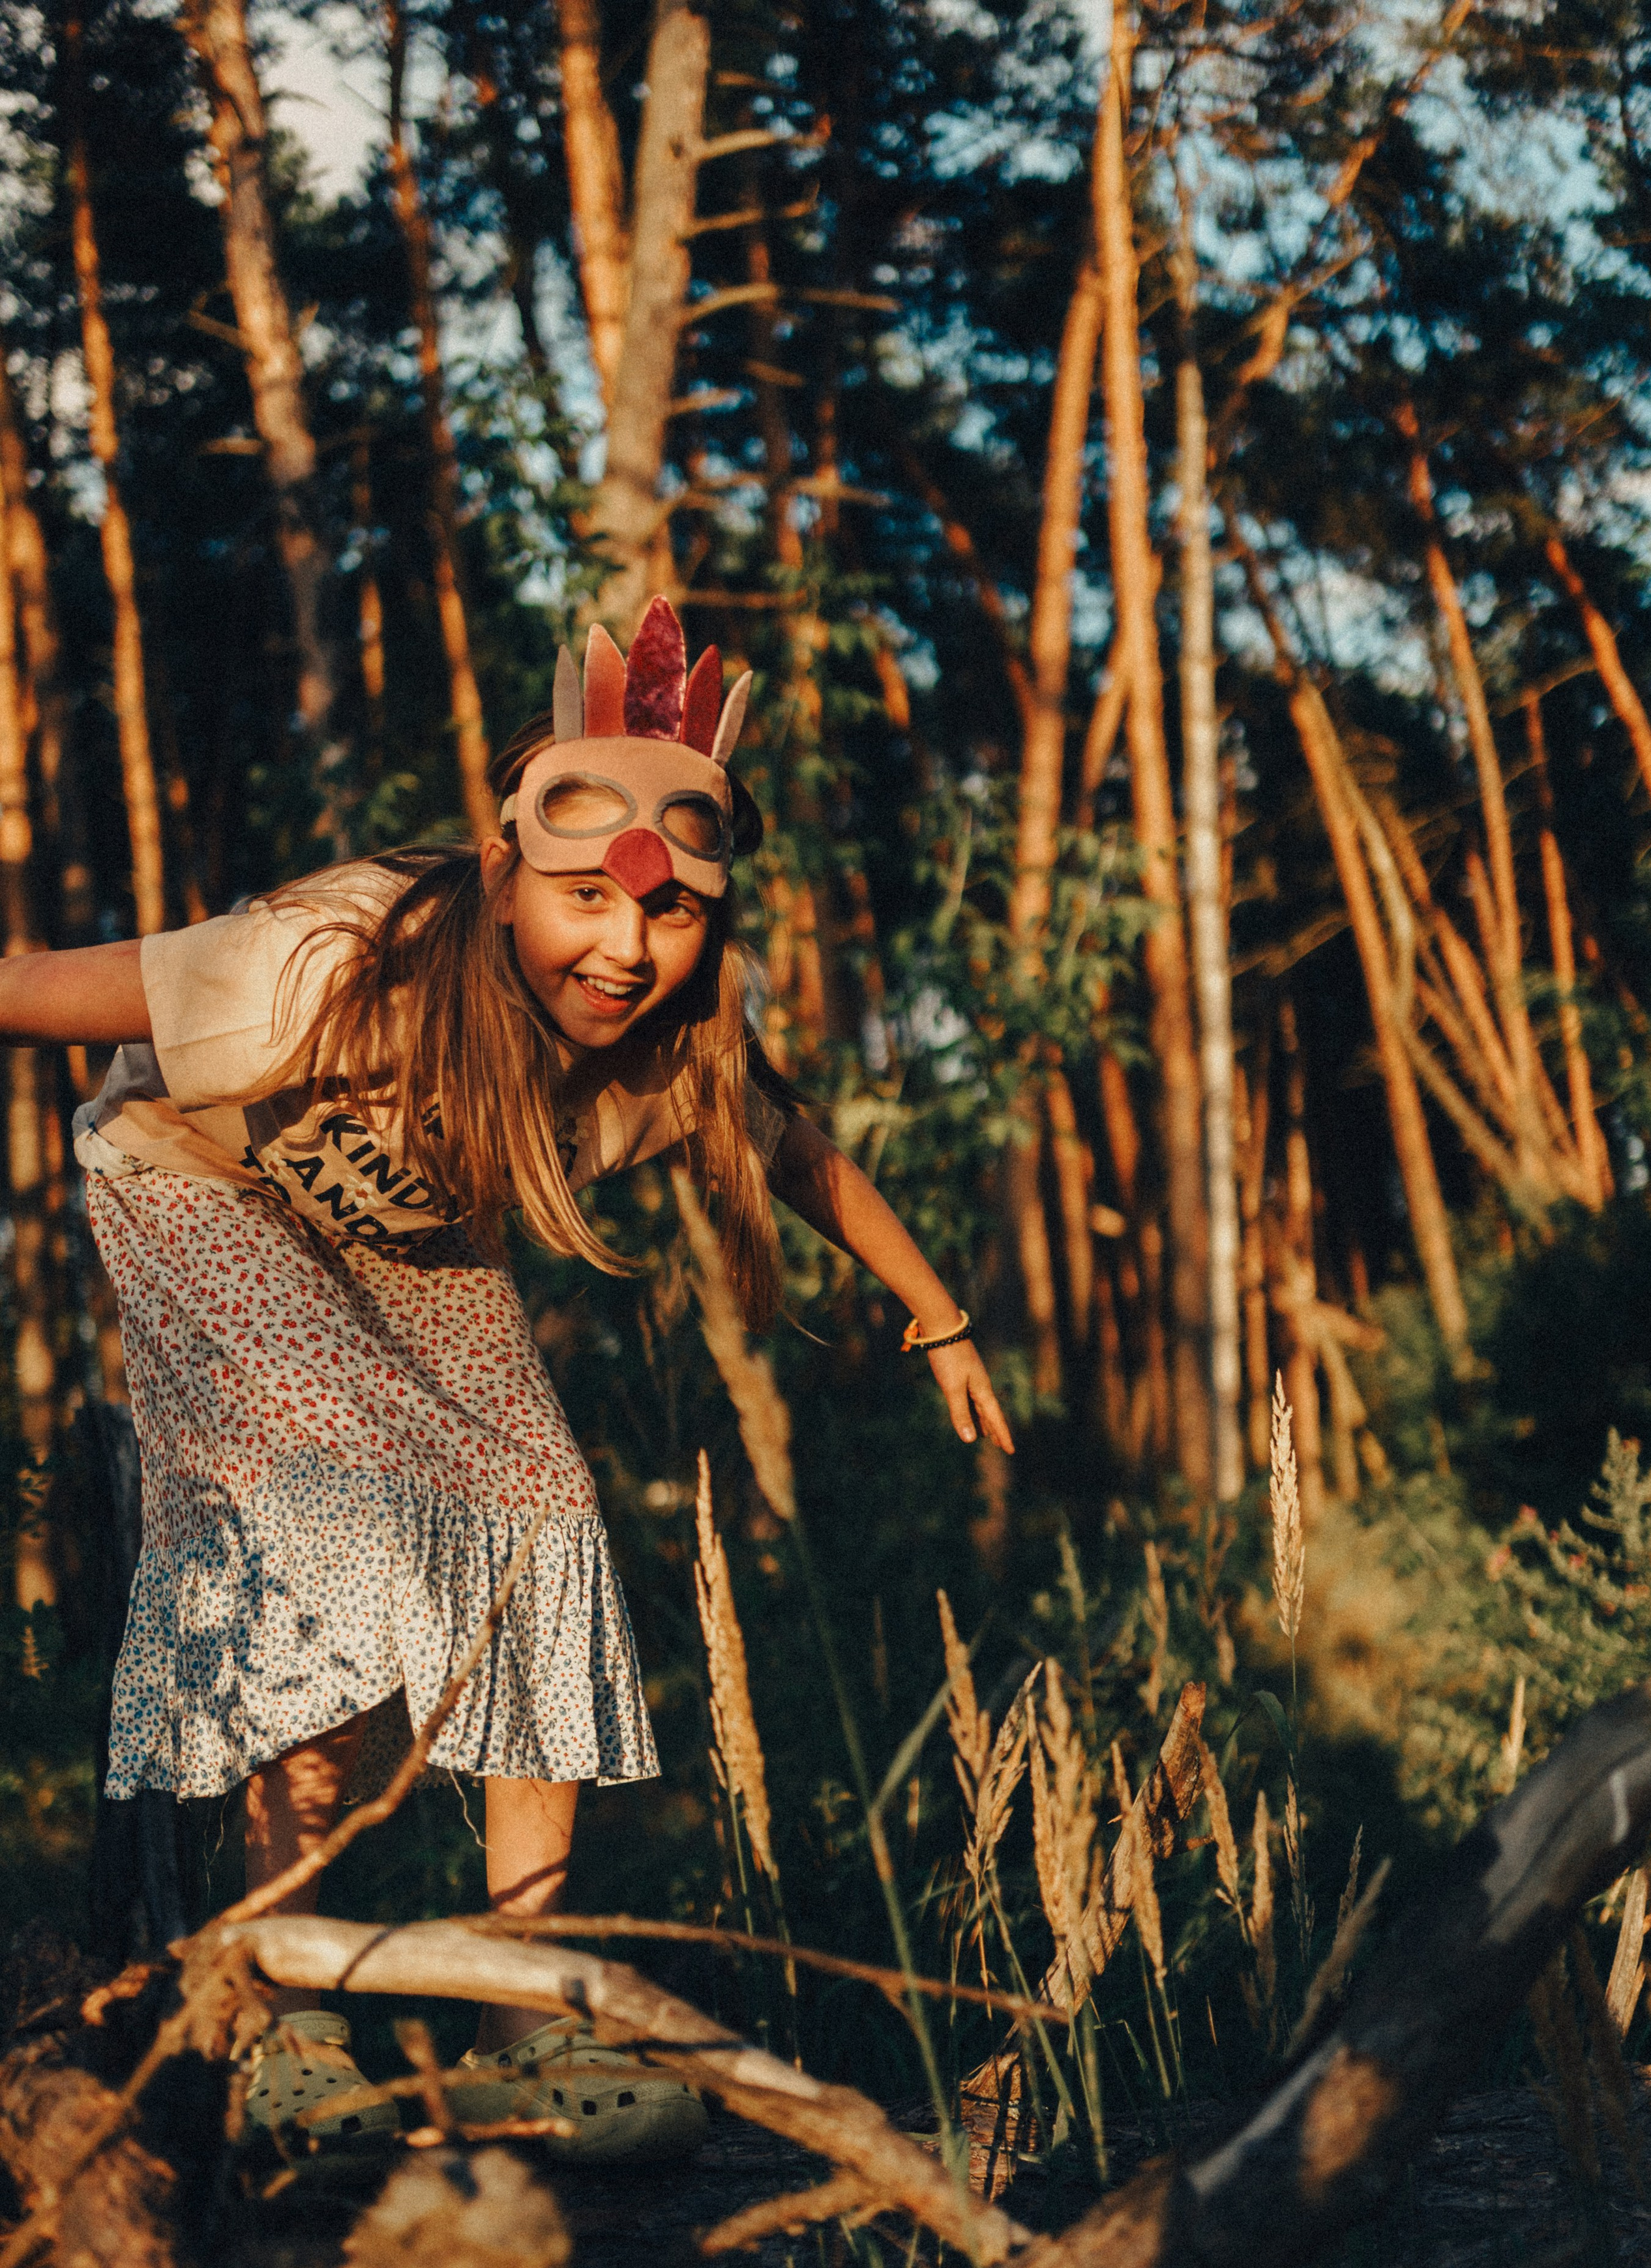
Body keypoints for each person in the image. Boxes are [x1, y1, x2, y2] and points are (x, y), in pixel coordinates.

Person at [1, 599, 1013, 2158]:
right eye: (586, 906)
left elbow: (790, 1143)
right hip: (200, 1187)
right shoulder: (319, 964)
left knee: (543, 1516)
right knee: (319, 1528)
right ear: (499, 874)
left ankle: (525, 2017)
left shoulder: (667, 1031)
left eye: (670, 917)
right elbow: (31, 985)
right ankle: (274, 2003)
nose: (625, 951)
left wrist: (936, 1316)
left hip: (412, 1224)